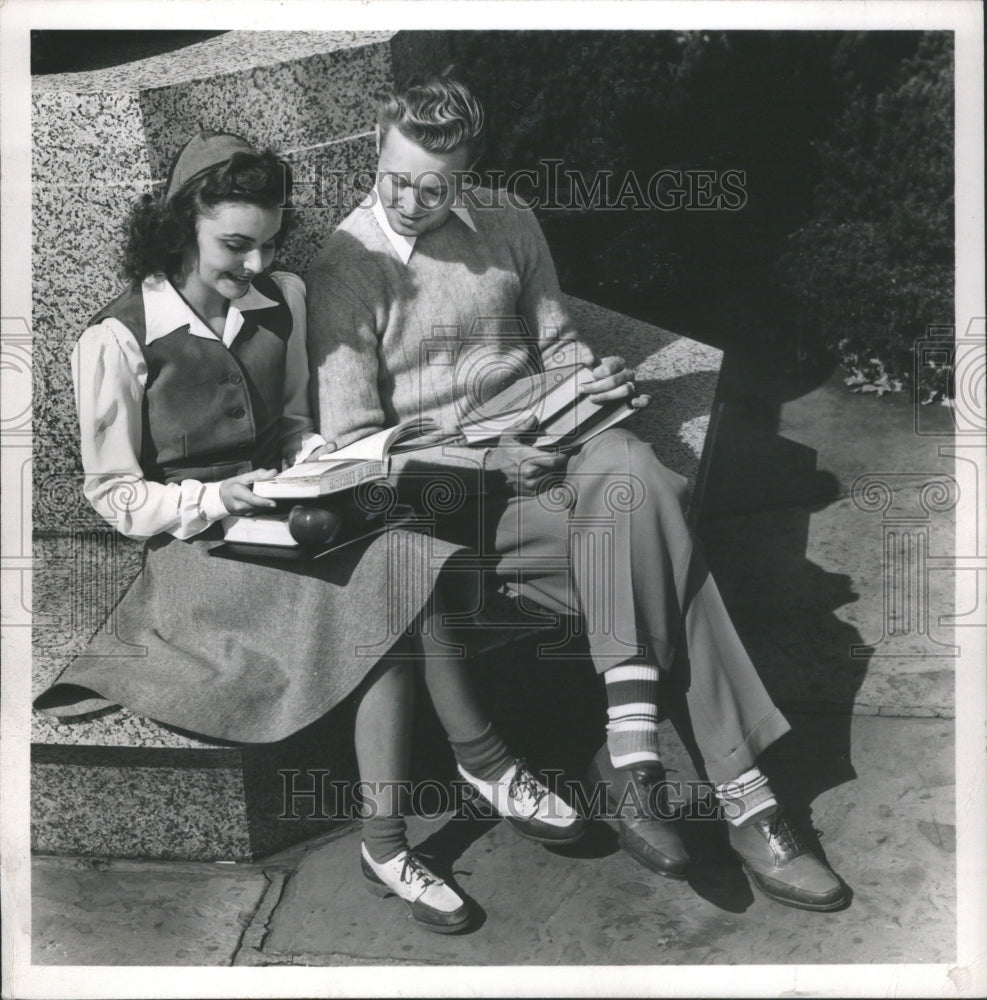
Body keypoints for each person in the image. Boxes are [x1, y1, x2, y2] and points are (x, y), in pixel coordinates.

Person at [306, 77, 849, 912]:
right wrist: (486, 456)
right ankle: (747, 800)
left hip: (554, 465)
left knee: (629, 464)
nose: (412, 201)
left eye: (435, 184)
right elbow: (352, 448)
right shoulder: (347, 266)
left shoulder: (511, 222)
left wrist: (586, 381)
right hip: (450, 510)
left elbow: (555, 345)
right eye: (394, 179)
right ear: (374, 155)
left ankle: (628, 753)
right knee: (672, 556)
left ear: (469, 173)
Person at [33, 130, 584, 935]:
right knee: (390, 597)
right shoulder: (115, 338)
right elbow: (115, 499)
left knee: (405, 563)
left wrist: (315, 458)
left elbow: (290, 422)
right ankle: (466, 783)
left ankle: (406, 830)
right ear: (182, 222)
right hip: (198, 553)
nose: (255, 265)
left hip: (286, 515)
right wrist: (217, 499)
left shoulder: (280, 299)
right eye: (234, 245)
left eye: (265, 244)